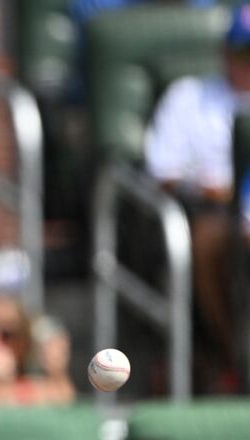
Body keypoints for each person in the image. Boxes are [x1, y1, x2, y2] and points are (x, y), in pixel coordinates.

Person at [143, 2, 250, 392]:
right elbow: (162, 173)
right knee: (207, 239)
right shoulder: (188, 96)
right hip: (212, 214)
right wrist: (215, 188)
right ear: (224, 51)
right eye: (243, 50)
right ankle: (232, 358)